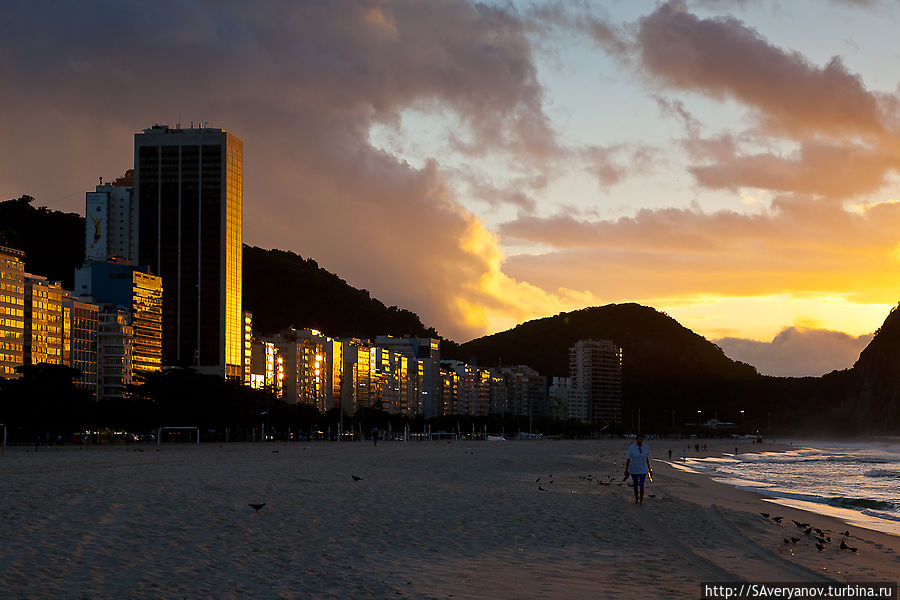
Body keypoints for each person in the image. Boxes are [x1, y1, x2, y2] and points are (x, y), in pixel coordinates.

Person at [624, 434, 652, 505]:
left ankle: (641, 501)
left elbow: (647, 459)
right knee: (635, 485)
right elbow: (628, 459)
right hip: (634, 469)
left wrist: (650, 469)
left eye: (641, 439)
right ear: (636, 440)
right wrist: (626, 470)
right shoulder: (632, 447)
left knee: (642, 484)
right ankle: (637, 499)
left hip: (643, 469)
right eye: (639, 439)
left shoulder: (646, 447)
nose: (640, 441)